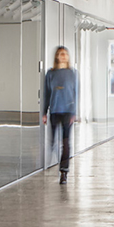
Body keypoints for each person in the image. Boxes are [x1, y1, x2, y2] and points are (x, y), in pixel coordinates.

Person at [43, 46, 78, 185]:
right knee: (53, 142)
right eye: (60, 54)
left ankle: (64, 172)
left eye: (65, 54)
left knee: (65, 142)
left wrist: (74, 112)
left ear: (68, 57)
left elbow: (76, 93)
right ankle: (48, 165)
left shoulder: (73, 73)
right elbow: (47, 94)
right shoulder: (50, 74)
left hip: (68, 112)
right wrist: (44, 112)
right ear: (56, 57)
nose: (62, 56)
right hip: (54, 111)